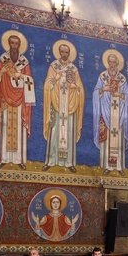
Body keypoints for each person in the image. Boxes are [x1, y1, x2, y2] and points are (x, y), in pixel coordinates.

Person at [0, 31, 34, 170]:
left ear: (20, 45)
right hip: (5, 97)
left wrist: (21, 76)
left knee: (19, 129)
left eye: (17, 43)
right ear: (9, 44)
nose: (14, 46)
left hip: (20, 99)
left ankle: (20, 160)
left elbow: (30, 79)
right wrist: (2, 72)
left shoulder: (24, 62)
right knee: (5, 127)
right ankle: (3, 159)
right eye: (12, 43)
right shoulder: (3, 59)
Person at [42, 40, 84, 172]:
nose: (65, 54)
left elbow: (80, 88)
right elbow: (47, 85)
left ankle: (70, 162)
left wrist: (75, 87)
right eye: (62, 52)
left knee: (69, 133)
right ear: (59, 52)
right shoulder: (54, 66)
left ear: (69, 53)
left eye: (67, 52)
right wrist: (56, 79)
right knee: (55, 132)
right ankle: (51, 160)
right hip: (56, 104)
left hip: (70, 106)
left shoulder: (73, 69)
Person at [92, 49, 128, 173]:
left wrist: (121, 96)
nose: (112, 64)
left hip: (119, 115)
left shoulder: (122, 79)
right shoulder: (102, 77)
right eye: (110, 62)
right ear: (107, 63)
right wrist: (104, 89)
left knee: (117, 138)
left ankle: (119, 166)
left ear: (117, 64)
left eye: (114, 62)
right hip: (105, 112)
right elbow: (95, 92)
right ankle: (107, 166)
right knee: (107, 138)